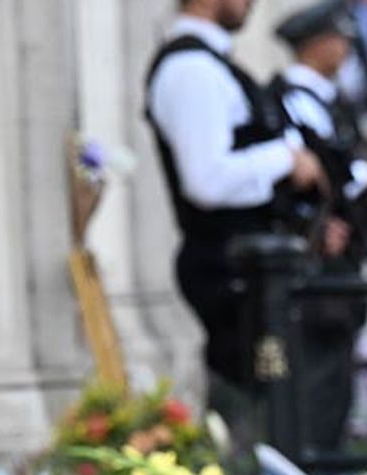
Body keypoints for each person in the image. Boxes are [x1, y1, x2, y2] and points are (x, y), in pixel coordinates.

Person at [145, 0, 326, 444]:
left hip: (248, 262)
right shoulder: (190, 68)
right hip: (225, 263)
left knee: (272, 401)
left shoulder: (212, 62)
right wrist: (284, 159)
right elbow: (206, 180)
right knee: (249, 407)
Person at [271, 1, 367, 462]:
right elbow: (307, 173)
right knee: (321, 359)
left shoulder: (327, 97)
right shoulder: (291, 98)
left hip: (346, 244)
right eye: (337, 39)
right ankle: (318, 454)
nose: (344, 48)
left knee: (339, 354)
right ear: (316, 44)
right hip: (319, 247)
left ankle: (331, 449)